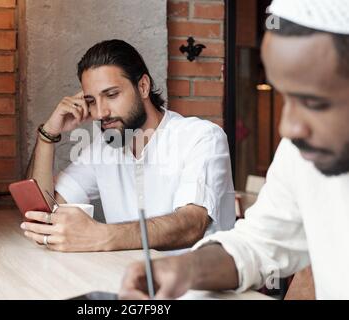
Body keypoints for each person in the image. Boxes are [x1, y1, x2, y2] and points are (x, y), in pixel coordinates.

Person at [120, 0, 349, 299]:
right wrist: (186, 268)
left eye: (314, 103)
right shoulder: (301, 154)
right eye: (285, 97)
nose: (288, 128)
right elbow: (261, 243)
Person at [21, 39, 235, 252]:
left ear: (143, 86)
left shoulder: (201, 137)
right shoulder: (102, 149)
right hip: (131, 280)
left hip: (196, 283)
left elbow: (192, 225)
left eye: (111, 95)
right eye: (92, 101)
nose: (101, 112)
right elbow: (42, 212)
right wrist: (48, 134)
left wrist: (101, 235)